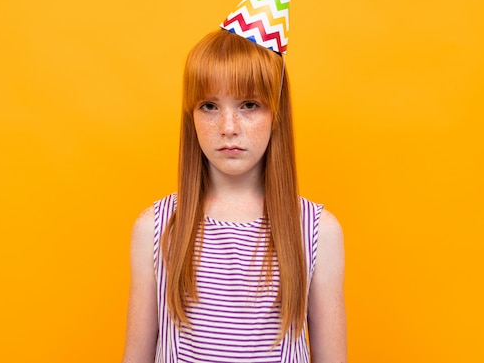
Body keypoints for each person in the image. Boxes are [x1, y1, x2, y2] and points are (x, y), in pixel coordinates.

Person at [122, 29, 347, 363]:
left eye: (249, 104)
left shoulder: (317, 232)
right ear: (191, 116)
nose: (228, 126)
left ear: (276, 113)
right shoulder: (155, 228)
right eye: (210, 106)